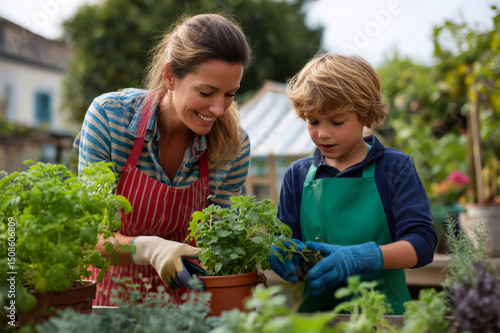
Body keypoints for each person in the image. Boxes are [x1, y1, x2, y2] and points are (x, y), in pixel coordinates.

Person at [73, 13, 252, 306]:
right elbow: (89, 233)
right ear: (170, 77)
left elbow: (221, 239)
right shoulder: (109, 118)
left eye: (230, 94)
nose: (219, 109)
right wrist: (151, 249)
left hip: (188, 304)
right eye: (206, 92)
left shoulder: (233, 146)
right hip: (110, 299)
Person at [268, 53, 438, 314]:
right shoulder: (297, 175)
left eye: (337, 122)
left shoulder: (394, 168)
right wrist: (284, 254)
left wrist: (365, 257)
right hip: (317, 321)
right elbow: (288, 240)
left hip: (386, 319)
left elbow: (423, 244)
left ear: (365, 116)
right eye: (313, 121)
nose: (323, 133)